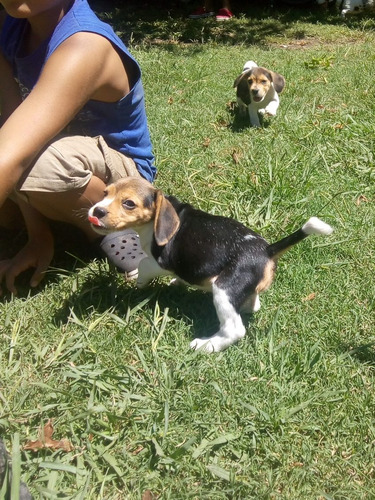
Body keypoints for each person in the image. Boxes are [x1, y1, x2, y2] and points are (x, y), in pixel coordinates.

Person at [0, 0, 156, 295]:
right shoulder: (7, 29)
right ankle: (57, 224)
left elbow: (13, 155)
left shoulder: (84, 44)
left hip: (121, 177)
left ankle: (125, 236)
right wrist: (37, 236)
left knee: (44, 165)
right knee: (8, 215)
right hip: (55, 155)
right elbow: (10, 131)